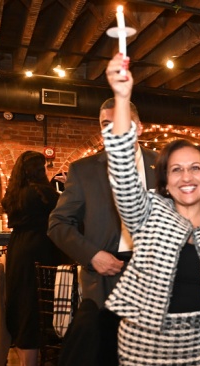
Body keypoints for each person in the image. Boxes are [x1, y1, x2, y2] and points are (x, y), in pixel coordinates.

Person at [102, 53, 200, 366]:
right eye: (176, 170)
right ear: (164, 181)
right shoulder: (147, 212)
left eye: (196, 168)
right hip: (145, 352)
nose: (187, 177)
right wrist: (122, 98)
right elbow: (121, 171)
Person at [48, 99, 158, 308]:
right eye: (106, 124)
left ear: (140, 128)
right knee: (105, 340)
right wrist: (92, 255)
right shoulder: (84, 171)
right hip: (105, 279)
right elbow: (58, 224)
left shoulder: (166, 165)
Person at [1, 151, 63, 366]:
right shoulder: (43, 193)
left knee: (20, 303)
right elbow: (65, 213)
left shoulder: (14, 194)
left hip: (17, 249)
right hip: (39, 249)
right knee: (36, 307)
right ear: (38, 169)